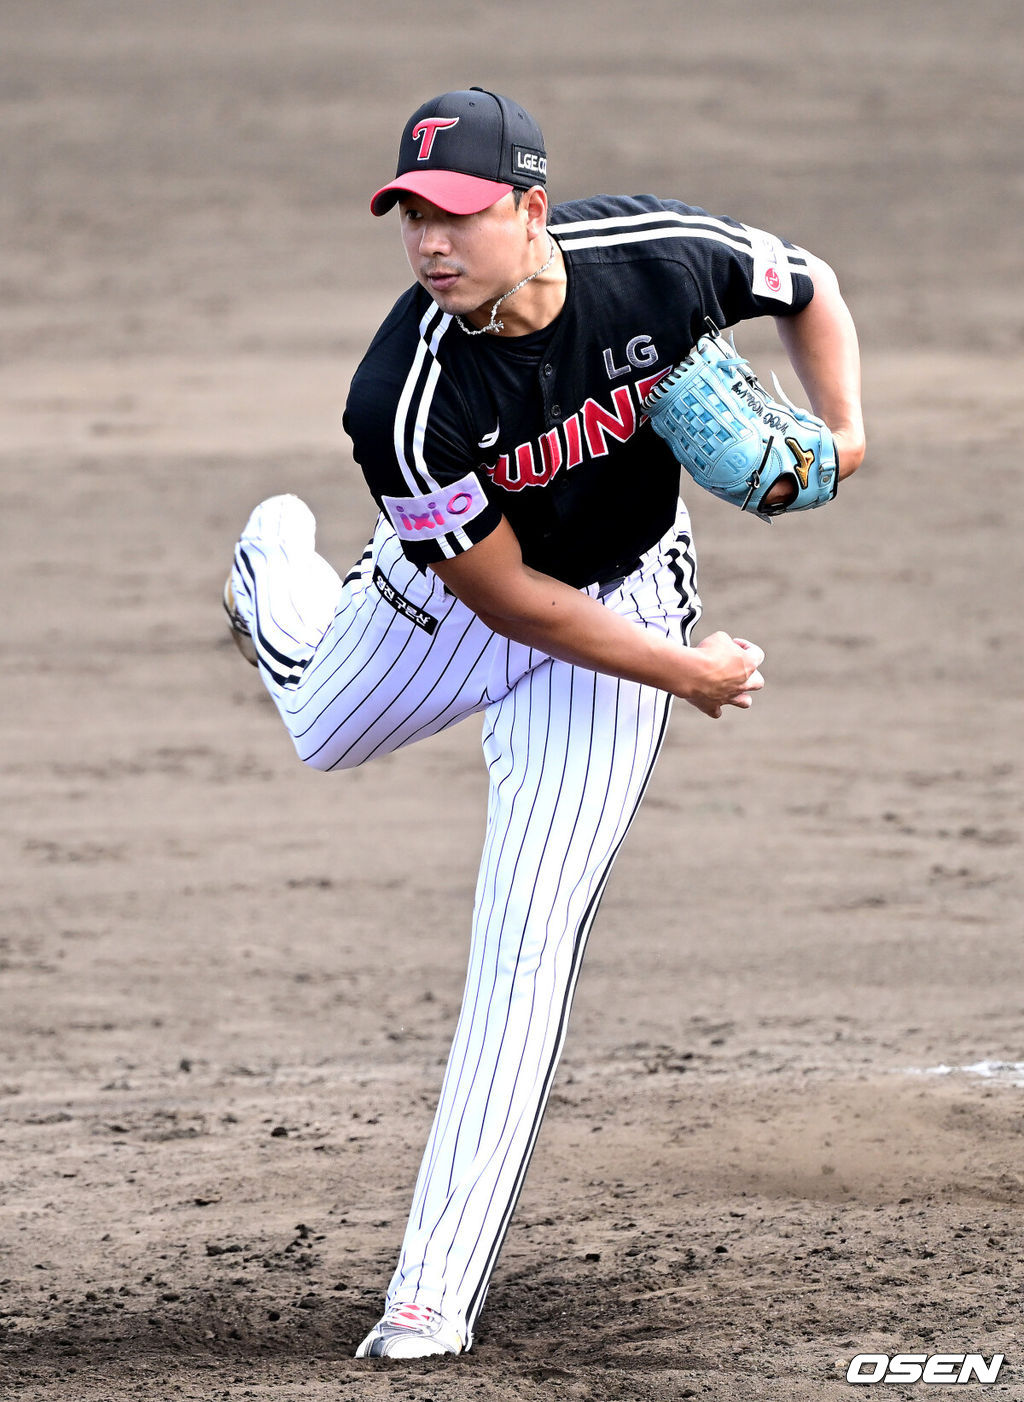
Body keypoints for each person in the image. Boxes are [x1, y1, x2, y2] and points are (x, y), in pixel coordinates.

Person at [223, 87, 865, 1359]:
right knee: (321, 728)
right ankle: (274, 580)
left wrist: (845, 436)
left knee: (525, 942)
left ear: (530, 209)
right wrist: (683, 673)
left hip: (624, 589)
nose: (430, 244)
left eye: (457, 214)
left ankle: (429, 1294)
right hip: (465, 597)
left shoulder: (660, 263)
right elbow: (509, 599)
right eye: (409, 217)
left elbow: (810, 284)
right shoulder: (402, 400)